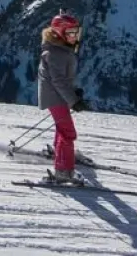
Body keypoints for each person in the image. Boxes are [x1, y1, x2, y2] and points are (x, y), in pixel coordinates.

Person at [37, 12, 93, 183]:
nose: (74, 37)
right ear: (60, 33)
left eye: (76, 32)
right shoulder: (55, 53)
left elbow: (63, 79)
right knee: (68, 132)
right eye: (70, 33)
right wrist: (74, 100)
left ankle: (60, 152)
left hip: (58, 95)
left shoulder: (59, 49)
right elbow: (58, 80)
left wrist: (73, 92)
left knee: (63, 129)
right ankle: (63, 171)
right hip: (56, 97)